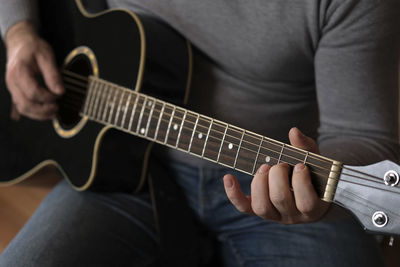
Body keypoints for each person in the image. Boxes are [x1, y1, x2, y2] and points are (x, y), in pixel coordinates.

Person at [0, 0, 399, 266]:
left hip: (270, 184)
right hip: (118, 165)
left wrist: (313, 198)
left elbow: (364, 135)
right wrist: (18, 31)